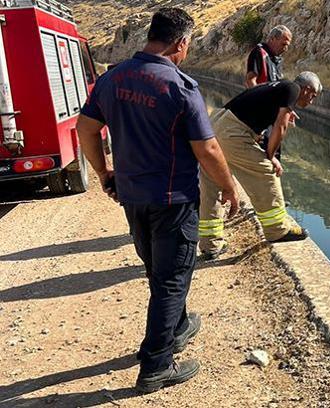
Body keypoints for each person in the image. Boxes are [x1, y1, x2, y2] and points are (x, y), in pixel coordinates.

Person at [76, 8, 240, 393]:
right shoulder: (180, 87)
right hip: (174, 200)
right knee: (171, 279)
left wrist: (104, 173)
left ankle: (179, 326)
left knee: (159, 271)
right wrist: (229, 187)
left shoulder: (112, 78)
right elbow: (208, 149)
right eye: (188, 46)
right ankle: (156, 365)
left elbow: (86, 129)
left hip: (132, 199)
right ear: (181, 43)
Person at [198, 72, 321, 258]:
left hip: (214, 124)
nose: (311, 101)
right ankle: (277, 230)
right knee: (265, 172)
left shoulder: (275, 88)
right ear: (306, 89)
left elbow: (258, 126)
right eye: (313, 96)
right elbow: (280, 127)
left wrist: (268, 151)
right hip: (231, 132)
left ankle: (210, 244)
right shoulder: (292, 88)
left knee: (211, 184)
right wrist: (270, 157)